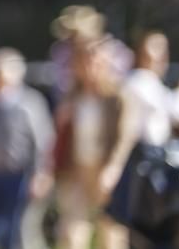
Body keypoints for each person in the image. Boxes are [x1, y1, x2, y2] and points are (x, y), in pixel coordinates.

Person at [0, 48, 55, 249]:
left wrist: (41, 173)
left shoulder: (30, 103)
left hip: (17, 176)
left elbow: (44, 142)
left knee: (17, 232)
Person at [52, 34, 128, 249]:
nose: (90, 67)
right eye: (84, 61)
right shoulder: (72, 96)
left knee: (110, 234)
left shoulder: (116, 97)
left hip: (105, 171)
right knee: (72, 233)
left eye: (95, 61)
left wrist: (113, 168)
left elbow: (124, 138)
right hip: (77, 170)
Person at [102, 30, 179, 195]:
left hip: (153, 158)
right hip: (145, 161)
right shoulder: (140, 81)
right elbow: (178, 112)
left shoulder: (149, 82)